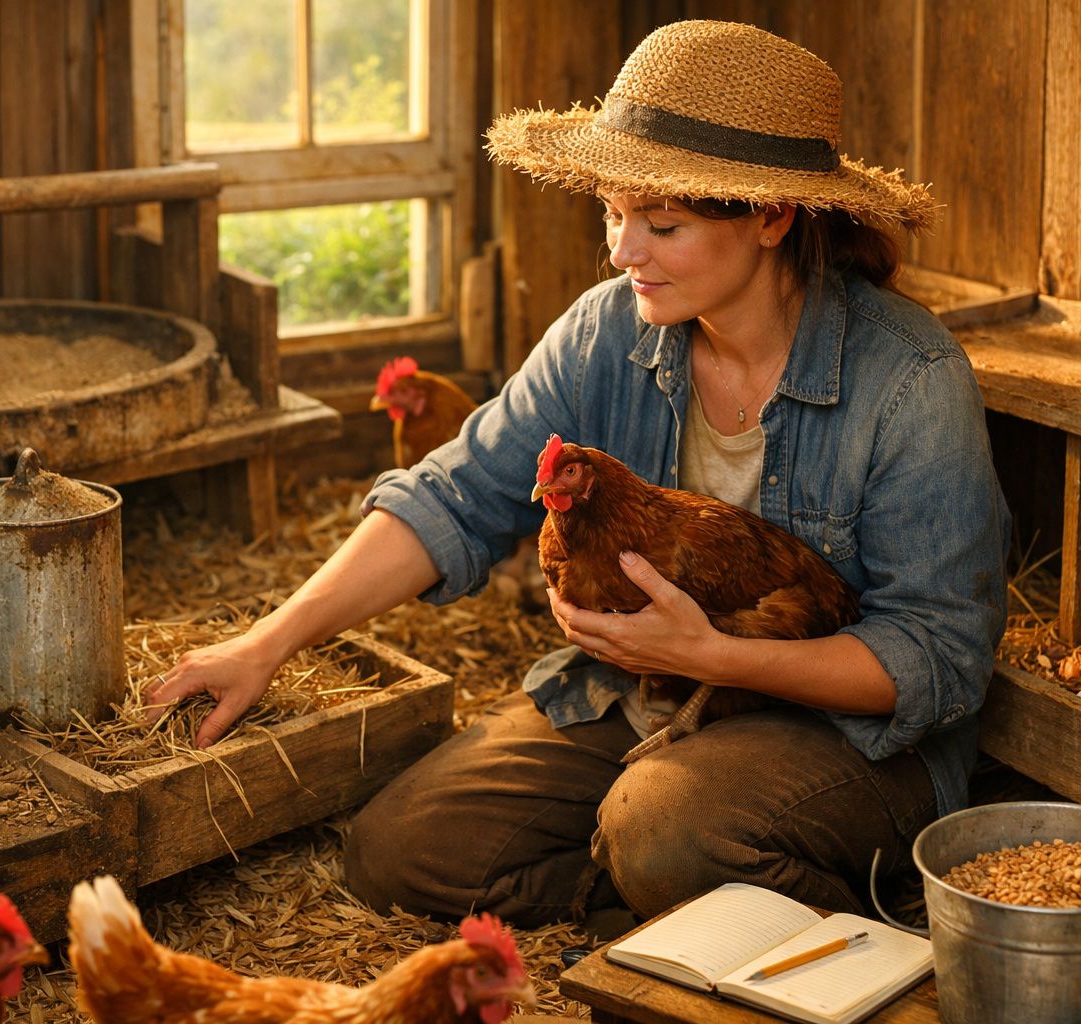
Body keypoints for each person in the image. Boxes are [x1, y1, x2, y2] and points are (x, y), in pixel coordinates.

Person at [144, 19, 1010, 935]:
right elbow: (455, 493)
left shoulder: (910, 381)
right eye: (612, 212)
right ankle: (682, 915)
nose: (621, 251)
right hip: (649, 698)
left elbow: (937, 655)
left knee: (666, 831)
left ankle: (800, 922)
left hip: (844, 735)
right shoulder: (610, 331)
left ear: (770, 216)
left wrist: (713, 657)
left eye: (661, 225)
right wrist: (268, 643)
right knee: (401, 852)